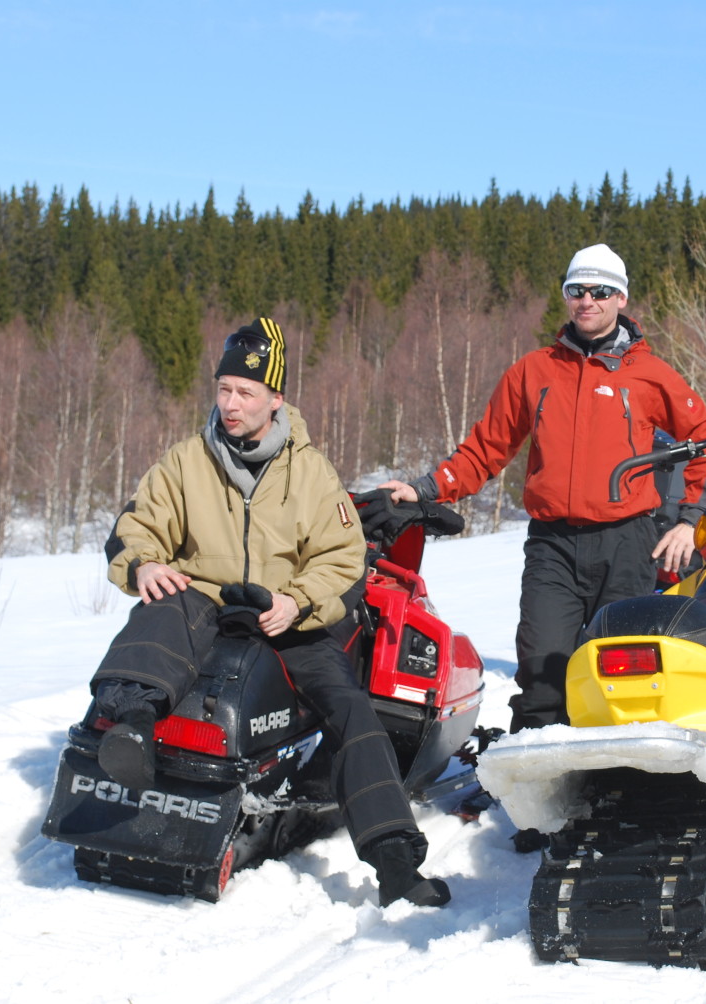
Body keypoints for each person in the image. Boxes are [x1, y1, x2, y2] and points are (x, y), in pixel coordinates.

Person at [91, 317, 450, 908]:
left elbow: (343, 561)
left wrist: (297, 601)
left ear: (275, 399)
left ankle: (394, 863)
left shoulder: (310, 473)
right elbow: (137, 525)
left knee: (351, 709)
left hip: (287, 617)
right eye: (224, 389)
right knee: (162, 606)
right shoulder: (186, 461)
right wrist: (144, 564)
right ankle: (131, 725)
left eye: (246, 392)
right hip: (205, 600)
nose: (231, 405)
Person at [380, 244, 706, 734]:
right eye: (576, 290)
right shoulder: (534, 371)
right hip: (552, 546)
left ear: (621, 298)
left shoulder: (649, 374)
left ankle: (618, 774)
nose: (587, 300)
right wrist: (426, 489)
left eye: (600, 291)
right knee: (541, 675)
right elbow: (486, 449)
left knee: (622, 680)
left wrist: (689, 520)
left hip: (627, 543)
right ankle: (535, 776)